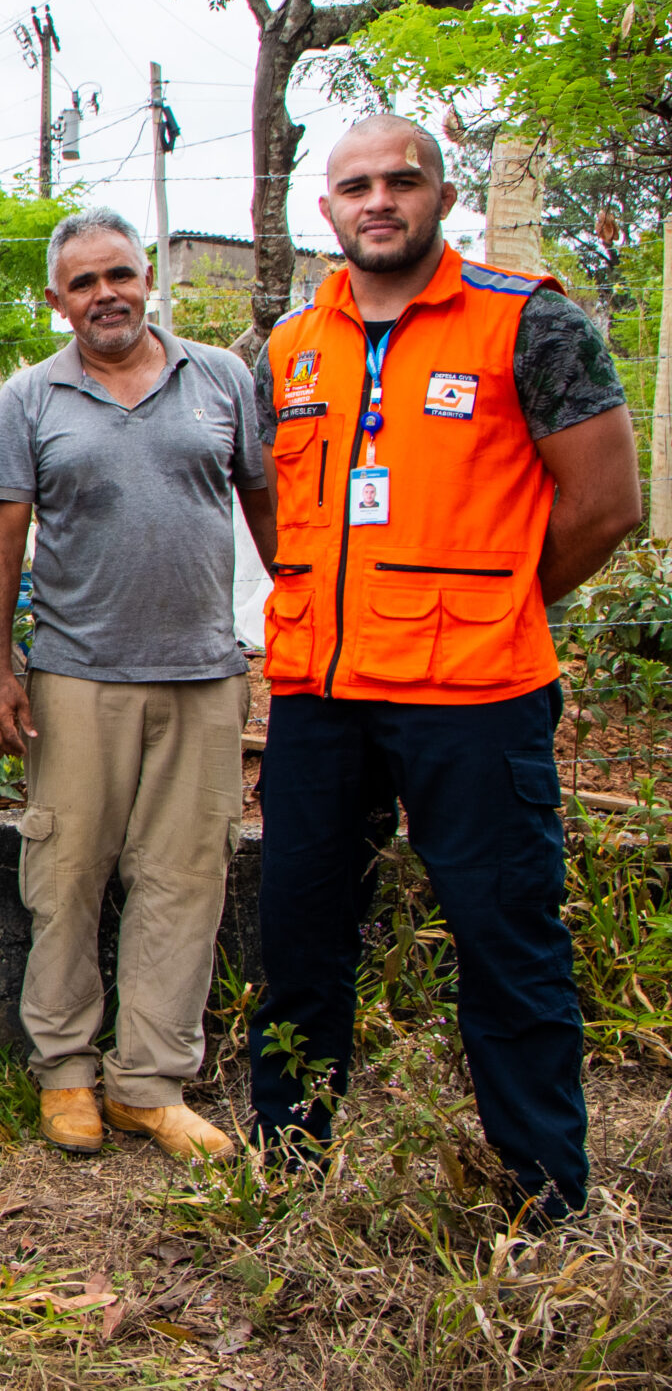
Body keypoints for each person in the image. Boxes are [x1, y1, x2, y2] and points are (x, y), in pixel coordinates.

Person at [251, 115, 640, 1221]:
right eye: (354, 186)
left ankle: (544, 1200)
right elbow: (280, 505)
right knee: (300, 943)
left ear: (441, 196)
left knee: (507, 943)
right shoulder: (291, 345)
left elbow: (605, 505)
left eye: (401, 181)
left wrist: (488, 604)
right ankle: (287, 1175)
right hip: (321, 698)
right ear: (324, 208)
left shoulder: (530, 325)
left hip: (475, 699)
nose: (379, 201)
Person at [0, 209, 275, 1165]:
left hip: (204, 674)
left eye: (122, 274)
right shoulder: (32, 397)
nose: (107, 294)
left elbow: (264, 505)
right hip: (78, 676)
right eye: (85, 282)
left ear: (149, 280)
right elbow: (1, 541)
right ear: (58, 299)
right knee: (66, 875)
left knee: (185, 879)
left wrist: (288, 631)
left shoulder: (220, 379)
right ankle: (65, 1070)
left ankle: (150, 1082)